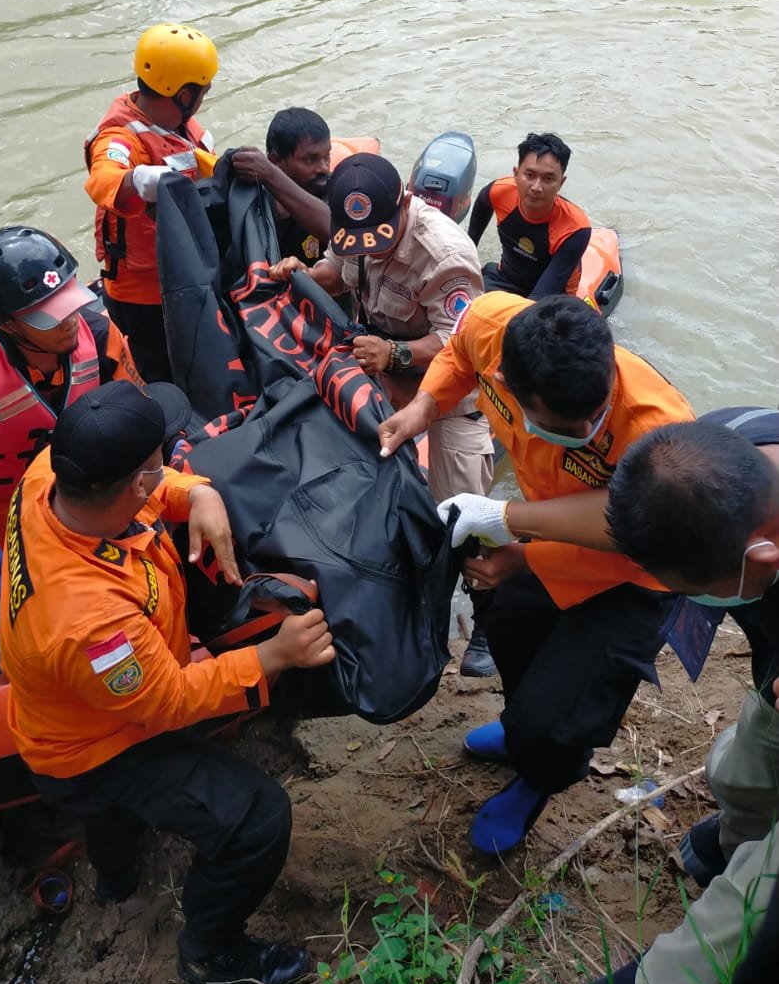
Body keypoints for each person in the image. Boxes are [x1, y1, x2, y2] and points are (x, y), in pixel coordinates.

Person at [0, 379, 336, 984]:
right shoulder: (89, 624)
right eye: (160, 463)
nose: (167, 465)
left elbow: (149, 493)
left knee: (114, 820)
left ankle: (117, 883)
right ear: (132, 484)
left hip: (65, 719)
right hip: (96, 748)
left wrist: (196, 491)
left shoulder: (54, 472)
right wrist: (271, 655)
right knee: (257, 817)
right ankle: (212, 956)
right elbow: (168, 702)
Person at [378, 293, 693, 853]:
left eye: (593, 419)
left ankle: (540, 773)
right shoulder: (493, 327)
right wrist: (424, 407)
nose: (585, 429)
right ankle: (523, 728)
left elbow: (635, 534)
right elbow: (456, 355)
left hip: (637, 575)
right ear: (506, 380)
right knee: (508, 624)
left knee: (561, 714)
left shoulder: (659, 434)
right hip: (548, 527)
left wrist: (517, 541)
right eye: (561, 423)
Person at [540, 412, 779, 984]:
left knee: (766, 879)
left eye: (700, 592)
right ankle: (734, 835)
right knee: (741, 766)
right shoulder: (728, 447)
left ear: (762, 557)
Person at [269, 152, 496, 677]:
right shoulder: (357, 231)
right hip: (380, 379)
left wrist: (396, 355)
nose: (369, 247)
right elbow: (341, 272)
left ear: (405, 203)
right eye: (358, 239)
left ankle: (486, 621)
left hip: (447, 397)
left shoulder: (444, 256)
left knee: (466, 511)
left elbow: (463, 342)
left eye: (380, 236)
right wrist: (303, 274)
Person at [0, 226, 140, 600]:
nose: (68, 321)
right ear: (5, 323)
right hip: (0, 510)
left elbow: (135, 411)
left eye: (67, 301)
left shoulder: (99, 336)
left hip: (82, 491)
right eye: (47, 315)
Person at [84, 22, 219, 381]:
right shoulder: (120, 139)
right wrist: (145, 179)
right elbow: (104, 179)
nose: (204, 97)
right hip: (144, 296)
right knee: (162, 374)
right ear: (184, 93)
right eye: (202, 90)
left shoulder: (179, 126)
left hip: (185, 272)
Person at [468, 132, 591, 299]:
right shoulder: (497, 192)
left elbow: (542, 295)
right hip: (504, 279)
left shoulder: (575, 228)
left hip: (553, 296)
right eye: (529, 175)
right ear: (516, 174)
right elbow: (469, 242)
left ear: (561, 183)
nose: (536, 187)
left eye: (548, 179)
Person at [231, 107, 332, 267]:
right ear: (276, 161)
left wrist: (270, 174)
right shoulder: (254, 206)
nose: (324, 168)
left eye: (327, 156)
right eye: (310, 159)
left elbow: (336, 233)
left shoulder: (333, 189)